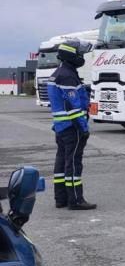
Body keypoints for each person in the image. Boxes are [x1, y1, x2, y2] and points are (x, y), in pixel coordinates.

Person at [47, 40, 96, 210]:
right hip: (72, 127)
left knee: (61, 163)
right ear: (72, 55)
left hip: (61, 127)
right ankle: (76, 200)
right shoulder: (67, 75)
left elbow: (60, 102)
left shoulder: (58, 73)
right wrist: (83, 128)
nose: (81, 57)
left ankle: (61, 199)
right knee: (74, 163)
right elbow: (73, 107)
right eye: (79, 54)